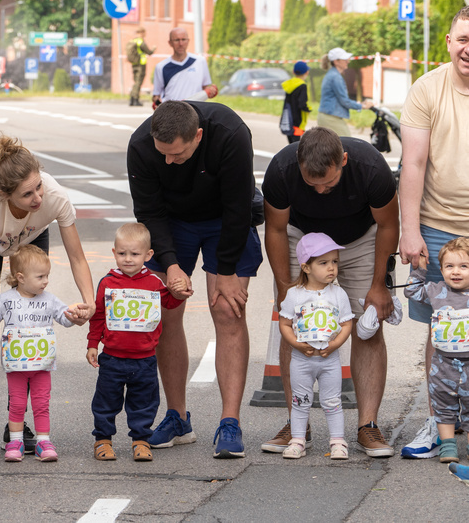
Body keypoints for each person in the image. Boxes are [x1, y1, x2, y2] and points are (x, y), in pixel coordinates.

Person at [127, 100, 263, 459]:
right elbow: (149, 212)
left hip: (225, 219)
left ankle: (230, 422)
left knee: (227, 311)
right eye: (163, 154)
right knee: (166, 313)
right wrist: (170, 264)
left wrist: (228, 271)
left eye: (177, 154)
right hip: (172, 221)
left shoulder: (231, 134)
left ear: (198, 136)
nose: (168, 161)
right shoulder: (142, 145)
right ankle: (177, 417)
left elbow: (237, 207)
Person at [261, 127, 398, 457]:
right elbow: (277, 229)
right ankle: (298, 425)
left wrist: (379, 285)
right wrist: (285, 289)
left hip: (360, 239)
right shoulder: (281, 171)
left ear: (344, 161)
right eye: (313, 183)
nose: (321, 190)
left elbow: (389, 225)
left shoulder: (371, 168)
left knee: (368, 327)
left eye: (329, 182)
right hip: (304, 238)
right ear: (298, 164)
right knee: (294, 324)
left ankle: (368, 426)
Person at [0, 134, 95, 462]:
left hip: (32, 238)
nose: (37, 197)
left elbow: (77, 256)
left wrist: (88, 302)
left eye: (38, 187)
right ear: (6, 195)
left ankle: (16, 427)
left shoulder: (54, 197)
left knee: (30, 329)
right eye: (27, 194)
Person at [398, 6, 469, 460]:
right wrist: (409, 230)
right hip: (439, 226)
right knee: (441, 329)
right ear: (448, 41)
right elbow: (414, 164)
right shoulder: (427, 89)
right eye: (463, 39)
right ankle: (439, 419)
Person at [0, 245, 84, 462]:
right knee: (18, 403)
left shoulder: (49, 299)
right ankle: (15, 441)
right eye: (40, 276)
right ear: (20, 277)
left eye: (47, 275)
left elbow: (64, 316)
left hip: (42, 366)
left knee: (41, 403)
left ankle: (43, 441)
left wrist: (75, 315)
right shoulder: (6, 300)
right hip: (17, 367)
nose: (46, 281)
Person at [87, 223, 187, 462]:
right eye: (122, 253)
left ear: (148, 255)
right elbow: (98, 315)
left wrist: (179, 293)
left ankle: (141, 440)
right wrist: (92, 344)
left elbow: (170, 304)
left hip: (145, 358)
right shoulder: (107, 283)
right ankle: (103, 439)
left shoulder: (154, 283)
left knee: (144, 403)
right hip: (112, 357)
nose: (128, 259)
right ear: (114, 253)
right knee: (105, 401)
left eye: (134, 254)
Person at [277, 233, 354, 460]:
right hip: (302, 359)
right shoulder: (294, 294)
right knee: (300, 400)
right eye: (323, 263)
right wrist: (297, 345)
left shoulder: (339, 293)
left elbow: (347, 323)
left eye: (334, 262)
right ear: (306, 267)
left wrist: (335, 344)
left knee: (332, 401)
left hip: (329, 359)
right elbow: (284, 323)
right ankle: (298, 440)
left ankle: (338, 441)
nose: (331, 268)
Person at [404, 237, 469, 464]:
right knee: (443, 407)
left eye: (464, 266)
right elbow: (412, 292)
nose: (456, 272)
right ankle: (448, 446)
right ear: (440, 270)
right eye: (449, 266)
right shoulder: (435, 291)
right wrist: (419, 271)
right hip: (443, 365)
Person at [151, 28, 216, 109]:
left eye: (183, 39)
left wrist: (211, 91)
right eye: (177, 40)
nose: (181, 43)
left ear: (188, 41)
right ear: (170, 43)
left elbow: (205, 88)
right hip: (172, 113)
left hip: (195, 112)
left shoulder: (200, 61)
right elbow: (156, 95)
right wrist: (156, 103)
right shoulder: (161, 66)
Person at [317, 47, 373, 136]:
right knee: (347, 144)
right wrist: (362, 106)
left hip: (328, 116)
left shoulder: (333, 74)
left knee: (335, 147)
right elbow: (344, 101)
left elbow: (340, 99)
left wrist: (360, 104)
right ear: (336, 62)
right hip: (331, 118)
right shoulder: (335, 77)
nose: (348, 61)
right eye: (345, 59)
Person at [280, 61, 311, 143]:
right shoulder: (302, 86)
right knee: (297, 146)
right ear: (307, 72)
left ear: (293, 72)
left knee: (291, 144)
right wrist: (308, 109)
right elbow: (302, 103)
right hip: (298, 122)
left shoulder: (289, 85)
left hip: (288, 121)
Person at [128, 26, 155, 107]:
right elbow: (149, 52)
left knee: (136, 81)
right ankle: (135, 99)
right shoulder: (141, 42)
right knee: (138, 82)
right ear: (142, 33)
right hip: (141, 64)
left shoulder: (133, 41)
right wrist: (153, 49)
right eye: (144, 32)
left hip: (134, 64)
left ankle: (132, 99)